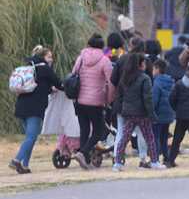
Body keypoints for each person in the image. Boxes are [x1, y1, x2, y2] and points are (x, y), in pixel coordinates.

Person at [9, 46, 63, 174]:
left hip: (21, 107)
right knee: (31, 137)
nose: (51, 59)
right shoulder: (45, 68)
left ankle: (25, 165)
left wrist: (50, 90)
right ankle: (16, 160)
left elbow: (39, 87)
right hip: (35, 108)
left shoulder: (30, 67)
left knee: (30, 137)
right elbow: (59, 83)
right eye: (49, 56)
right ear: (43, 57)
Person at [112, 53, 165, 171]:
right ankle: (154, 161)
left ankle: (117, 163)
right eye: (144, 63)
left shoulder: (125, 78)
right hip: (142, 114)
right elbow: (148, 99)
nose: (146, 65)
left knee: (124, 138)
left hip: (128, 113)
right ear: (140, 64)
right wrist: (152, 114)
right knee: (149, 137)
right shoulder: (144, 79)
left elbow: (120, 96)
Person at [71, 34, 114, 170]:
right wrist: (109, 99)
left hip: (79, 101)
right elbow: (111, 82)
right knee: (99, 130)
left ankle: (86, 160)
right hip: (95, 101)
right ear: (102, 46)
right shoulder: (104, 60)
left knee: (84, 129)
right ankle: (82, 153)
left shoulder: (81, 58)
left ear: (88, 45)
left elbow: (73, 75)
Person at [151, 59, 176, 164]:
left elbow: (154, 100)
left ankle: (155, 158)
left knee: (155, 137)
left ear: (157, 69)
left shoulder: (157, 83)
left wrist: (151, 112)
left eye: (153, 68)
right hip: (169, 114)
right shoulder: (171, 81)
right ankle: (166, 157)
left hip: (158, 115)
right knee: (164, 137)